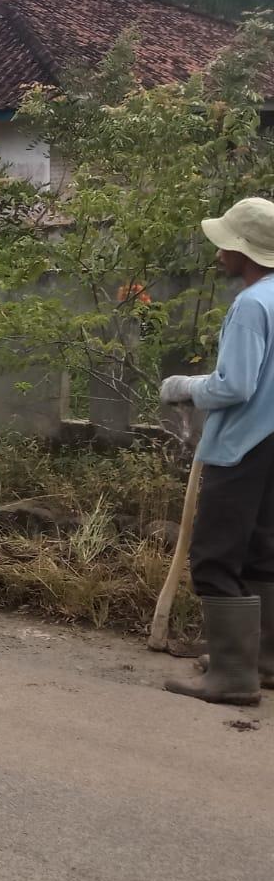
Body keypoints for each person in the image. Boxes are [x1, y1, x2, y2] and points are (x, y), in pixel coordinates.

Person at [160, 197, 274, 705]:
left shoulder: (252, 304)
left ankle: (232, 676)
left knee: (215, 556)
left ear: (245, 251)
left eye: (225, 244)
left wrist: (183, 385)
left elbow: (234, 386)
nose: (218, 253)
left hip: (243, 446)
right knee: (263, 553)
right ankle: (261, 660)